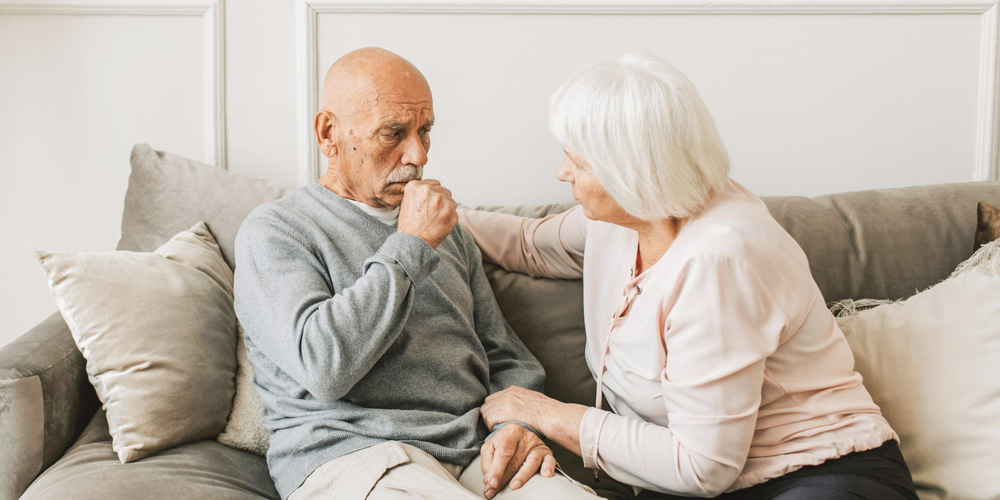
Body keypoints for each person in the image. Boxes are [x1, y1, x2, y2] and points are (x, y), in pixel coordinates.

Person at [458, 52, 919, 499]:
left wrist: (543, 412)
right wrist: (429, 213)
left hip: (817, 475)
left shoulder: (718, 260)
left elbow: (703, 467)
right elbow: (528, 245)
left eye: (578, 163)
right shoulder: (625, 219)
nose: (562, 173)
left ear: (629, 172)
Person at [233, 47, 601, 500]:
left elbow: (506, 356)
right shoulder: (276, 231)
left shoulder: (449, 231)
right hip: (357, 457)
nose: (419, 155)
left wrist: (515, 425)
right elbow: (324, 366)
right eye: (394, 133)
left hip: (476, 455)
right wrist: (413, 244)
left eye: (425, 131)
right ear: (328, 133)